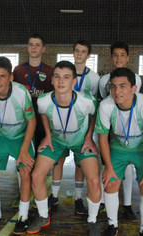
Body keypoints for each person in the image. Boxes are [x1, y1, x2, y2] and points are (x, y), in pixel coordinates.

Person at [28, 61, 101, 235]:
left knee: (94, 181)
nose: (61, 81)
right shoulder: (44, 100)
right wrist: (47, 135)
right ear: (52, 80)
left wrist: (89, 137)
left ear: (74, 82)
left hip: (80, 141)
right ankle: (43, 216)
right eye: (57, 77)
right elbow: (44, 114)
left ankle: (92, 220)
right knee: (36, 176)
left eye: (66, 77)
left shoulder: (86, 101)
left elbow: (93, 115)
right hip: (56, 140)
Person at [95, 67, 143, 236]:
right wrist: (108, 168)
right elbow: (102, 138)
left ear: (134, 88)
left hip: (142, 147)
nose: (117, 91)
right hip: (117, 146)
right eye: (113, 86)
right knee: (109, 183)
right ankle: (112, 225)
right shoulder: (105, 105)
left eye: (123, 86)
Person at [0, 56, 36, 235]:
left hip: (20, 137)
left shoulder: (20, 92)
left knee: (25, 171)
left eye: (2, 76)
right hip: (0, 135)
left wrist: (25, 150)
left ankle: (24, 216)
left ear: (11, 77)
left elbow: (32, 122)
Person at [47, 40, 100, 215]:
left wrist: (89, 134)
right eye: (77, 50)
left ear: (88, 55)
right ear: (73, 52)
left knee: (80, 164)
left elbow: (93, 106)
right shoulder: (63, 73)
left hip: (81, 129)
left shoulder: (94, 78)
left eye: (83, 51)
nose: (79, 54)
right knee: (58, 161)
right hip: (60, 126)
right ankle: (54, 195)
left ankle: (78, 198)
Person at [97, 41, 141, 221]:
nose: (118, 58)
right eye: (115, 55)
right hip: (108, 124)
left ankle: (127, 204)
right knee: (105, 161)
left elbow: (134, 101)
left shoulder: (136, 78)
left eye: (122, 55)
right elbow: (102, 97)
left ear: (128, 57)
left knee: (128, 166)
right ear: (111, 57)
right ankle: (101, 199)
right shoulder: (103, 80)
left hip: (127, 125)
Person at [12, 33, 54, 208]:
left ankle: (38, 195)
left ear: (43, 48)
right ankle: (23, 193)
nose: (34, 48)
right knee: (22, 159)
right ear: (27, 47)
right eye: (31, 44)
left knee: (39, 161)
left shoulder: (50, 71)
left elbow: (53, 99)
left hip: (42, 124)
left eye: (38, 45)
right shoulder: (18, 70)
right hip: (23, 123)